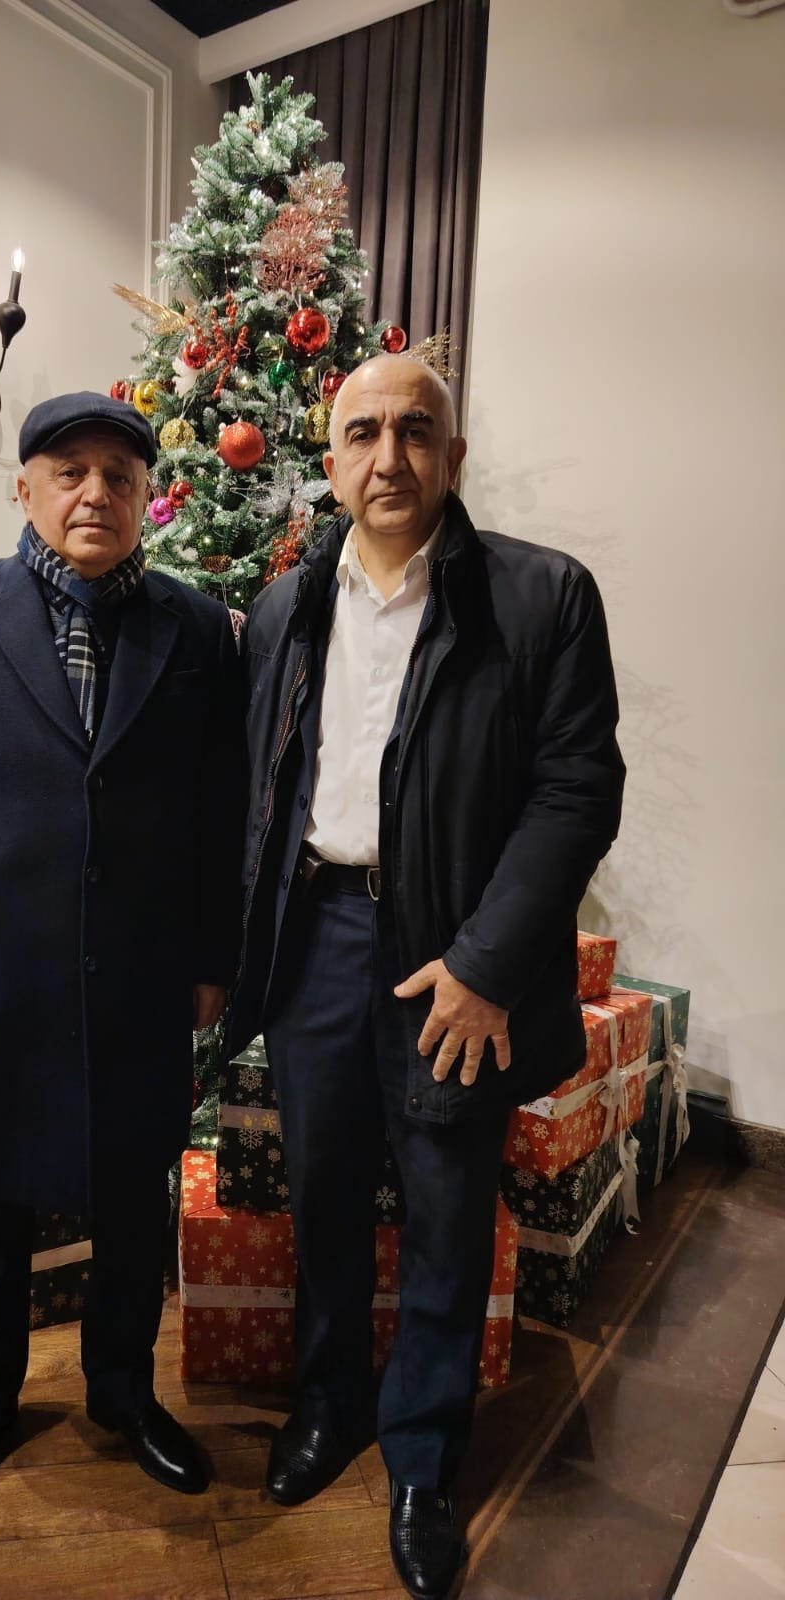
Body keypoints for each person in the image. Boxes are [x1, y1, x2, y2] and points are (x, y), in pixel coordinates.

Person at [227, 354, 624, 1600]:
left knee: (447, 1215)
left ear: (453, 456)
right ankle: (331, 1404)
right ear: (330, 458)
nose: (388, 456)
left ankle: (422, 1459)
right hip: (317, 943)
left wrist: (487, 964)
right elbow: (260, 789)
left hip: (453, 962)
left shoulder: (541, 596)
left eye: (415, 430)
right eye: (363, 432)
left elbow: (577, 792)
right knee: (325, 1194)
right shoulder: (286, 606)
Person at [0, 391, 246, 1522]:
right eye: (70, 472)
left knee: (135, 1194)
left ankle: (124, 1394)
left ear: (146, 498)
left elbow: (219, 809)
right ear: (24, 488)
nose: (96, 493)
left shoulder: (198, 629)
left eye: (119, 477)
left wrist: (211, 957)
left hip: (140, 973)